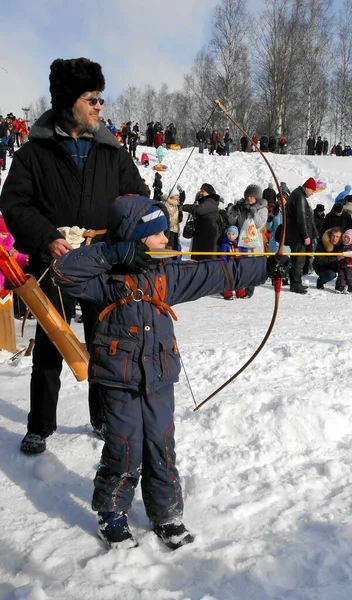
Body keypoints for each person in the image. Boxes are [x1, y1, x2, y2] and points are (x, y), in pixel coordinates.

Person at [52, 195, 271, 549]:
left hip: (159, 374)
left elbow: (214, 272)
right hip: (117, 377)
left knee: (161, 444)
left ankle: (166, 514)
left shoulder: (166, 274)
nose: (168, 241)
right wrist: (112, 254)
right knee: (124, 446)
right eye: (157, 235)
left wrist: (264, 266)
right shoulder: (106, 279)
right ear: (136, 239)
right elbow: (64, 273)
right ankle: (111, 512)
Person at [0, 57, 149, 455]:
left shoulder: (112, 151)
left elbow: (135, 198)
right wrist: (46, 237)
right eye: (92, 98)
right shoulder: (35, 153)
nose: (100, 105)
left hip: (102, 262)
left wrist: (141, 226)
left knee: (104, 343)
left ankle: (101, 416)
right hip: (55, 261)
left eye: (101, 98)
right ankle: (40, 425)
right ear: (69, 102)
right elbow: (14, 204)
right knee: (52, 342)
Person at [227, 184, 268, 298]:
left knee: (253, 265)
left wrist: (253, 211)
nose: (250, 198)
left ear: (257, 197)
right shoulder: (243, 207)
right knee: (243, 264)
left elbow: (260, 223)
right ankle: (241, 286)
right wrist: (235, 209)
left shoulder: (262, 209)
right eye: (248, 196)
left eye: (252, 196)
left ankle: (250, 289)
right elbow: (232, 221)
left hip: (255, 243)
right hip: (242, 241)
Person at [285, 177, 316, 294]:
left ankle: (295, 282)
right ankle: (296, 284)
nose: (312, 193)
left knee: (297, 259)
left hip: (294, 234)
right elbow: (301, 218)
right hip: (298, 236)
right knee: (299, 260)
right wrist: (306, 236)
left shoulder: (296, 194)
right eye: (312, 190)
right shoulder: (300, 197)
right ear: (307, 188)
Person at [182, 183, 222, 261]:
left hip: (209, 237)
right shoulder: (205, 202)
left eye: (203, 191)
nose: (200, 193)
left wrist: (184, 207)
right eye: (200, 191)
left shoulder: (211, 202)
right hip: (202, 235)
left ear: (208, 192)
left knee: (207, 260)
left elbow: (199, 210)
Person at [219, 226, 247, 300]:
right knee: (228, 278)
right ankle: (227, 293)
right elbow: (223, 254)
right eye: (229, 234)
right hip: (228, 264)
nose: (231, 236)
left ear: (236, 235)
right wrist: (224, 261)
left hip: (238, 263)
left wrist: (243, 258)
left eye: (233, 234)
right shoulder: (225, 244)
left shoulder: (240, 243)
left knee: (238, 277)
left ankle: (240, 293)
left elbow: (244, 252)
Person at [335, 229, 352, 293]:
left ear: (351, 239)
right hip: (341, 264)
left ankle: (350, 287)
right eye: (345, 237)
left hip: (350, 265)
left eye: (347, 238)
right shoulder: (341, 245)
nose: (345, 239)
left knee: (350, 276)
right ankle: (341, 287)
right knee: (341, 276)